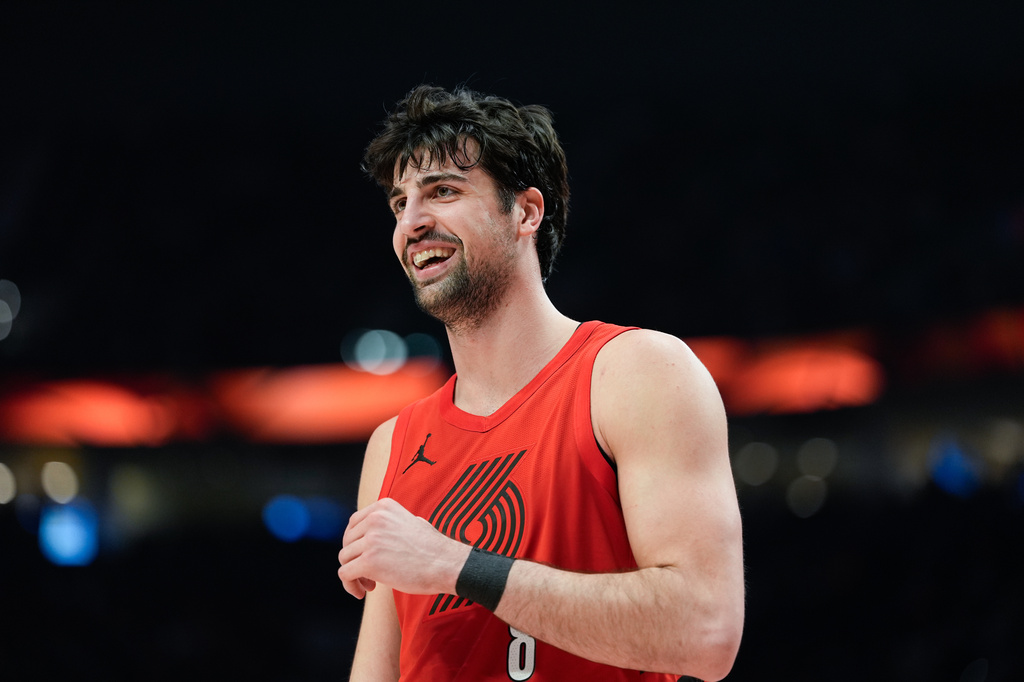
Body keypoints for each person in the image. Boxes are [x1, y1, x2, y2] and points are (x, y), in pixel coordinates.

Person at [338, 85, 745, 682]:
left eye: (443, 191)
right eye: (400, 204)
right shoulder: (392, 445)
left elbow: (705, 632)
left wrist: (454, 563)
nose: (412, 223)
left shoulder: (638, 373)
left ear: (526, 211)